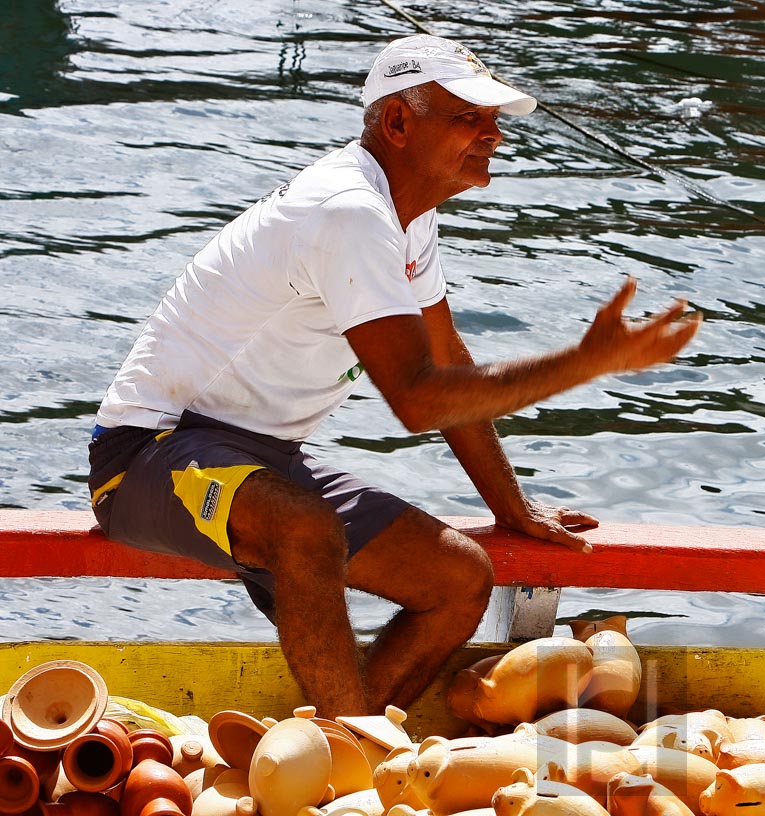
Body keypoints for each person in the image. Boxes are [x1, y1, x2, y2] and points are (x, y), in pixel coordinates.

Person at [86, 34, 700, 717]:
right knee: (305, 529)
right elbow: (416, 399)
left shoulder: (408, 218)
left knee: (460, 579)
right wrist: (587, 362)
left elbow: (448, 366)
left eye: (494, 120)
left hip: (259, 460)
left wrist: (511, 510)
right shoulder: (348, 209)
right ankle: (355, 765)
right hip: (149, 454)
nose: (493, 136)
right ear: (398, 123)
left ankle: (337, 752)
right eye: (469, 117)